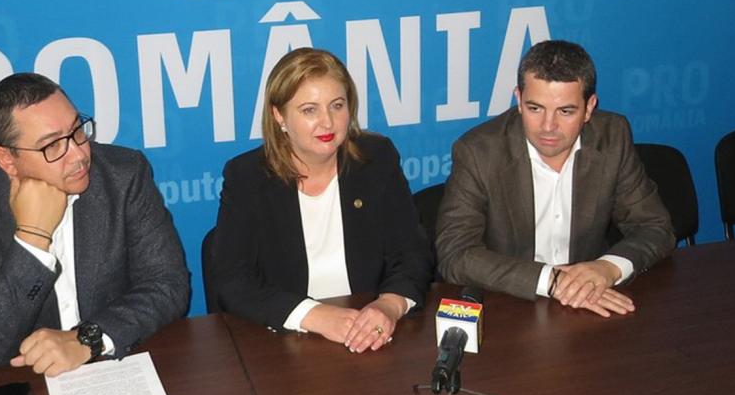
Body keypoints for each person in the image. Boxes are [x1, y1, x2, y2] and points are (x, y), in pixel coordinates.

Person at [0, 72, 190, 376]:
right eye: (52, 145)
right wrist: (32, 239)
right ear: (6, 159)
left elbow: (167, 284)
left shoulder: (123, 175)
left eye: (77, 130)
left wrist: (87, 340)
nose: (79, 154)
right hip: (23, 377)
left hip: (114, 363)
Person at [210, 48, 433, 352]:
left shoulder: (376, 159)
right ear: (279, 115)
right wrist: (313, 315)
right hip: (284, 344)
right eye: (309, 110)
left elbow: (412, 251)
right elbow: (232, 280)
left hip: (371, 334)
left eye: (337, 106)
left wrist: (390, 305)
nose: (327, 123)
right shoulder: (247, 177)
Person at [434, 40, 674, 317]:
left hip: (591, 301)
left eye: (565, 111)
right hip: (509, 306)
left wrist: (608, 267)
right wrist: (553, 281)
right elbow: (455, 253)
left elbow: (654, 226)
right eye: (535, 108)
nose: (548, 127)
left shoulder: (612, 137)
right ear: (518, 100)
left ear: (589, 107)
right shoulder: (479, 151)